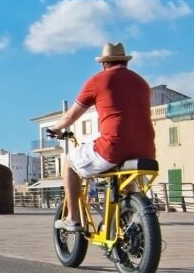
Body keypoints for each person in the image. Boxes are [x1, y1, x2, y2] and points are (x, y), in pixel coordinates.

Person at [47, 42, 155, 233]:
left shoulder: (98, 80)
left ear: (103, 64)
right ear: (126, 62)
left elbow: (71, 116)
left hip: (113, 147)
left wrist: (56, 128)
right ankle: (126, 221)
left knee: (69, 162)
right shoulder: (142, 83)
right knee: (124, 179)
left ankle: (72, 219)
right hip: (146, 149)